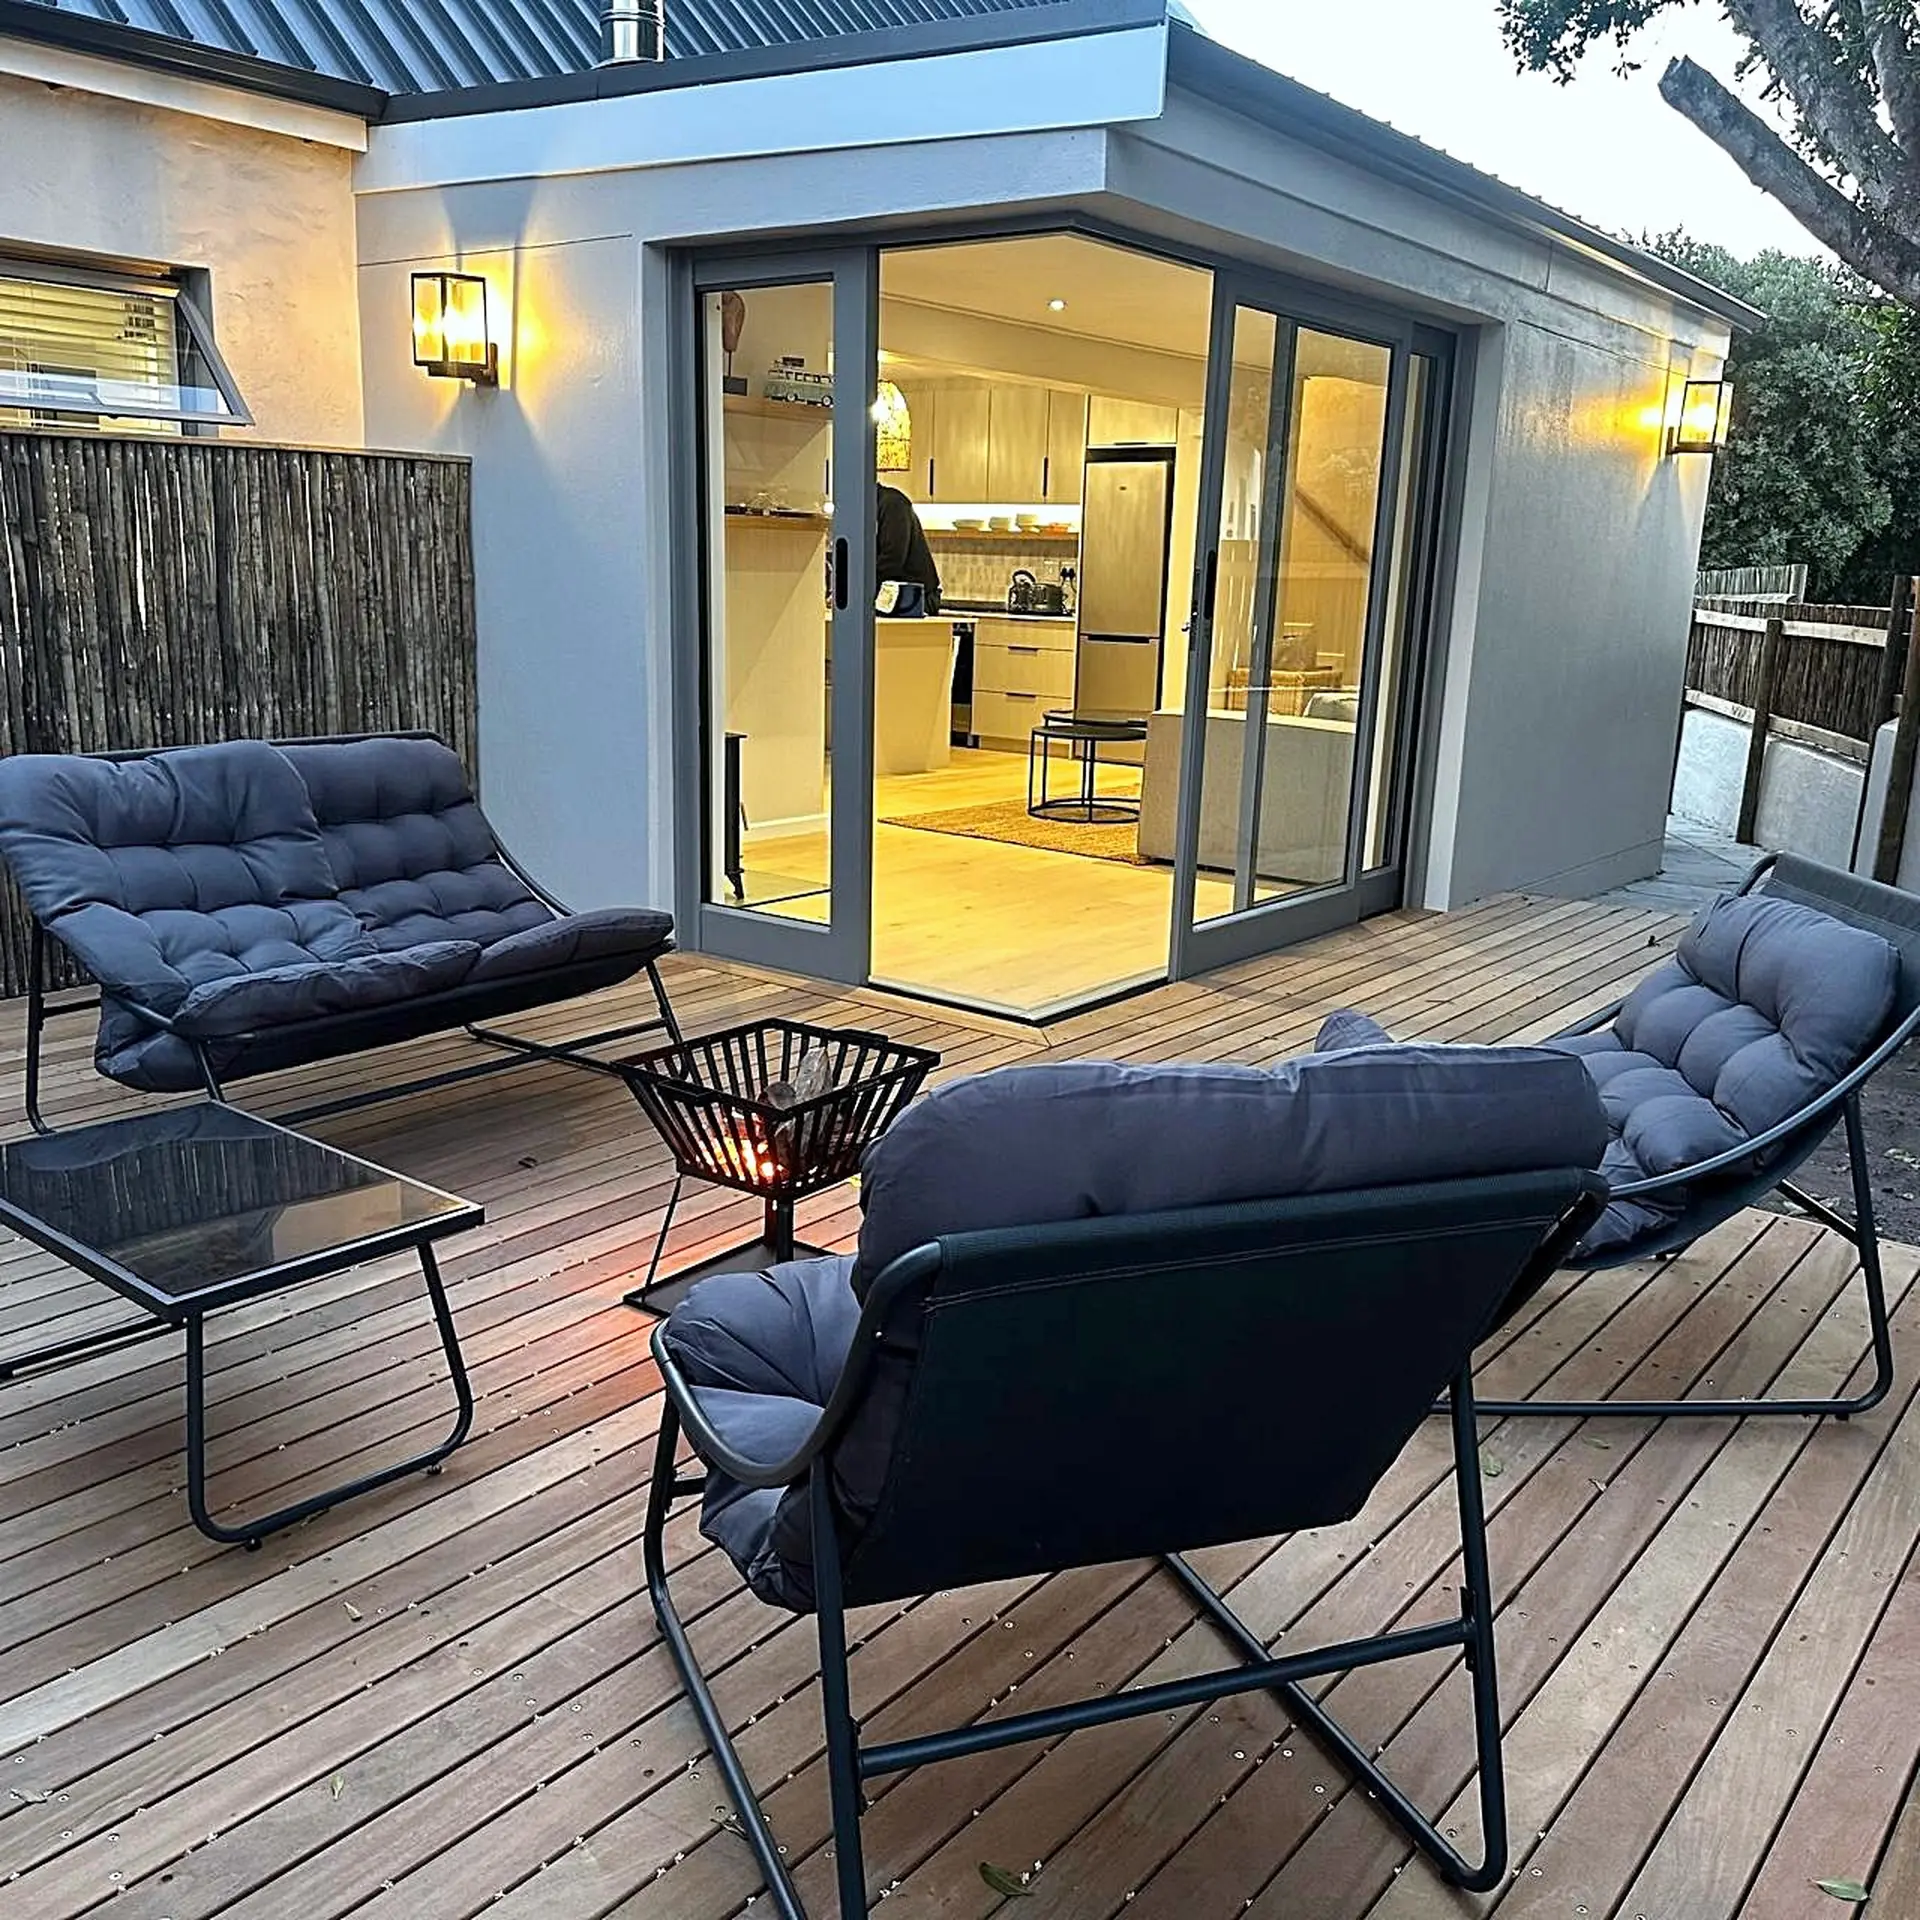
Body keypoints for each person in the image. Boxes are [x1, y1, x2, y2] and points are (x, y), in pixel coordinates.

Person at [876, 484, 942, 614]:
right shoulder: (866, 509)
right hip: (887, 598)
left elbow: (892, 559)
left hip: (912, 600)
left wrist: (857, 589)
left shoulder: (893, 504)